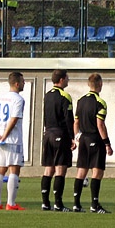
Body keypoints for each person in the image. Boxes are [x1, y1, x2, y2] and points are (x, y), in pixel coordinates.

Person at [73, 73, 113, 214]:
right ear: (100, 84)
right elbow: (100, 124)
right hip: (95, 139)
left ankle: (76, 204)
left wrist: (77, 137)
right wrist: (107, 143)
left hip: (83, 139)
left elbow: (76, 122)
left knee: (81, 171)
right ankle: (94, 204)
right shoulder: (100, 102)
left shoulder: (81, 100)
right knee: (97, 171)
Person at [0, 72, 26, 211]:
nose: (23, 84)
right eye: (22, 81)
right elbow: (14, 119)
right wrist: (5, 135)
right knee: (14, 169)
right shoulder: (19, 99)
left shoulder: (1, 98)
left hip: (0, 140)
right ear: (17, 83)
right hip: (13, 139)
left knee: (0, 169)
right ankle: (11, 203)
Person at [41, 69, 75, 212]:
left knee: (48, 168)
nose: (68, 80)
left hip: (47, 133)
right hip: (60, 134)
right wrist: (72, 137)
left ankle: (45, 203)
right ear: (61, 80)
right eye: (67, 78)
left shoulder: (47, 95)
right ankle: (58, 203)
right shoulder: (65, 96)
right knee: (60, 168)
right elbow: (68, 119)